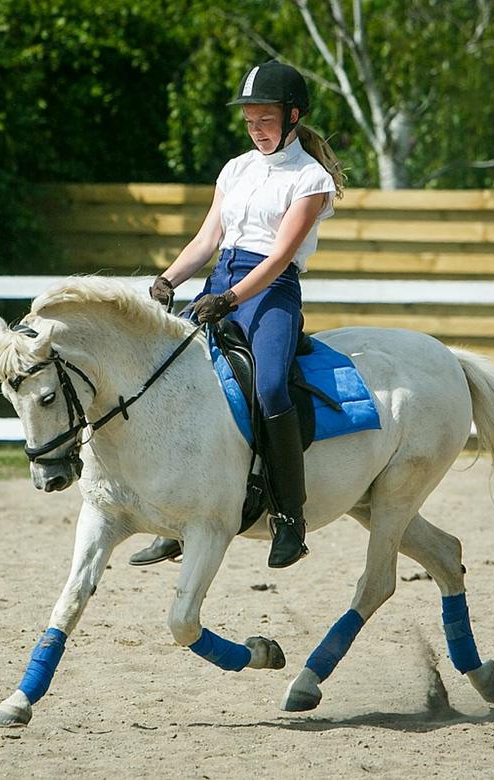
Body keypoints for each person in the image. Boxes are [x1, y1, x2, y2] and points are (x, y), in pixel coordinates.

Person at [130, 60, 346, 570]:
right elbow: (208, 240)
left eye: (265, 120)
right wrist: (166, 281)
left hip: (270, 293)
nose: (257, 130)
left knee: (270, 386)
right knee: (170, 377)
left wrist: (229, 301)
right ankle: (177, 516)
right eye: (250, 121)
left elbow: (276, 258)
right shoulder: (236, 168)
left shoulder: (310, 179)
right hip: (220, 280)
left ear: (293, 116)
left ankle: (290, 517)